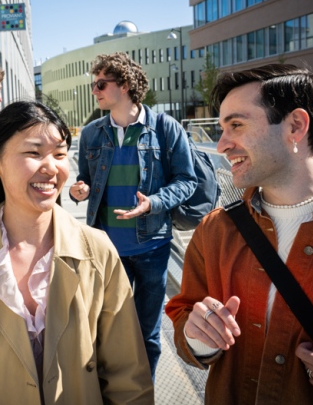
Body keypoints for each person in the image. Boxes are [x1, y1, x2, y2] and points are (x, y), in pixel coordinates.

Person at [165, 64, 313, 404]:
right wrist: (197, 337)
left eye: (236, 125)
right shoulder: (215, 228)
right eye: (222, 129)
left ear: (295, 126)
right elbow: (184, 316)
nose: (221, 145)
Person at [0, 101, 154, 404]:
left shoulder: (97, 252)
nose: (52, 167)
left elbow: (129, 380)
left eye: (60, 154)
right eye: (34, 153)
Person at [69, 52, 196, 381]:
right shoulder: (92, 133)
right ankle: (114, 392)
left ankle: (143, 393)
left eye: (101, 84)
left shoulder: (165, 128)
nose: (94, 90)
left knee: (147, 334)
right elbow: (85, 178)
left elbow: (187, 180)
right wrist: (79, 190)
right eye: (94, 84)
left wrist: (152, 203)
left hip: (153, 246)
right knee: (109, 331)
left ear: (124, 85)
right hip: (107, 250)